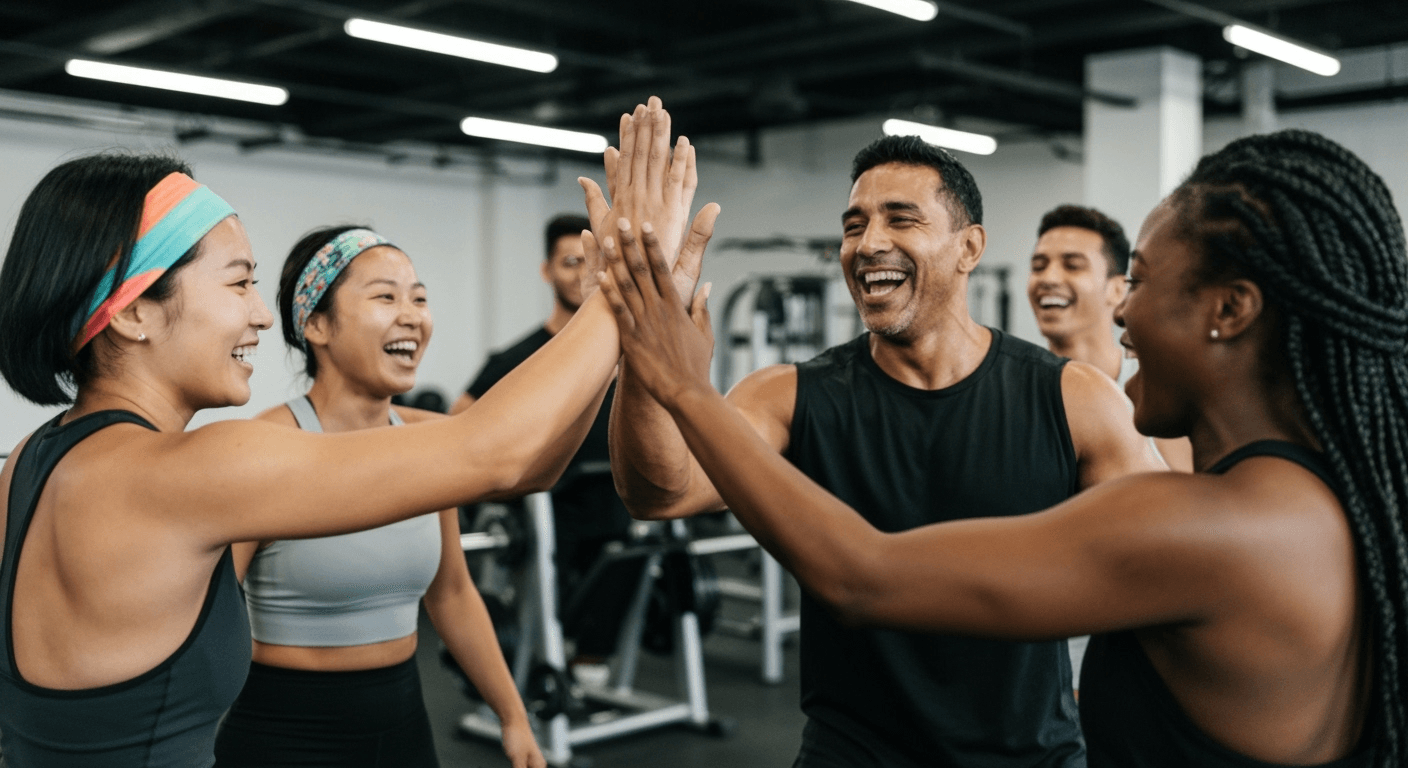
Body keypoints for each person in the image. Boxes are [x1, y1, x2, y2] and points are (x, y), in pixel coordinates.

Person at [599, 129, 1400, 767]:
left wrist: (684, 383)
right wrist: (655, 372)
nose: (1120, 316)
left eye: (1141, 282)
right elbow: (658, 490)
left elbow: (862, 577)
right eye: (854, 224)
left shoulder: (1193, 513)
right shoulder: (1317, 503)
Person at [0, 101, 689, 767]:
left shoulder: (33, 460)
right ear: (131, 312)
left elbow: (519, 465)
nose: (261, 319)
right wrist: (627, 282)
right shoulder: (198, 468)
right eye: (238, 284)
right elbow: (498, 452)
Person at [600, 134, 1165, 768]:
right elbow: (661, 492)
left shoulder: (1074, 399)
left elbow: (1162, 577)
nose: (868, 244)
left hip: (1030, 756)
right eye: (854, 225)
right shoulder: (787, 395)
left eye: (901, 218)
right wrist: (641, 343)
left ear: (968, 248)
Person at [210, 227, 543, 767]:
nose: (411, 314)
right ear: (316, 324)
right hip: (285, 731)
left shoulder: (432, 442)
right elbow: (206, 618)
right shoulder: (266, 449)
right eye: (386, 296)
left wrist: (512, 715)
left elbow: (453, 594)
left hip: (405, 722)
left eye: (419, 297)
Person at [450, 215, 637, 671]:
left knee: (631, 560)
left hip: (614, 508)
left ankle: (590, 669)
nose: (581, 274)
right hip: (545, 512)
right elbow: (459, 422)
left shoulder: (623, 354)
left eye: (591, 263)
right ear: (547, 270)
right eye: (570, 261)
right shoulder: (517, 357)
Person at [1028, 204, 1193, 473]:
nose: (1048, 278)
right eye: (1038, 266)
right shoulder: (1021, 386)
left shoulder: (1155, 391)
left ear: (1117, 289)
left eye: (1072, 265)